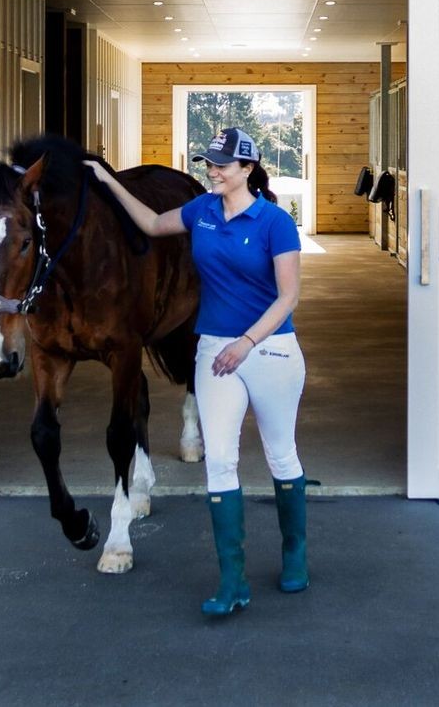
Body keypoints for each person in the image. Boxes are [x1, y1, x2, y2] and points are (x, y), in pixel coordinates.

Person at [88, 126, 308, 616]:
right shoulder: (201, 212)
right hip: (214, 353)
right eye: (209, 163)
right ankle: (232, 581)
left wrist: (247, 343)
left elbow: (288, 296)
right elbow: (147, 222)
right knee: (220, 461)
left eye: (222, 165)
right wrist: (106, 180)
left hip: (270, 349)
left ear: (246, 170)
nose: (211, 170)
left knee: (281, 456)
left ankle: (294, 553)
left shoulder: (275, 221)